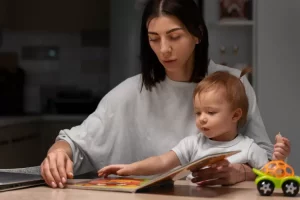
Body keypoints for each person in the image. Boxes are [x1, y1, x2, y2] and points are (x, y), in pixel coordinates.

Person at [40, 0, 290, 188]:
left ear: (197, 35)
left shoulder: (233, 83)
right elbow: (74, 142)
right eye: (154, 39)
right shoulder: (130, 92)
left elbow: (266, 157)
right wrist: (58, 152)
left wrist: (241, 173)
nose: (164, 49)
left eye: (174, 36)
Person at [97, 69, 289, 185]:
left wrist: (280, 159)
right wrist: (130, 168)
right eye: (198, 113)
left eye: (211, 113)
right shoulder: (192, 144)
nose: (202, 119)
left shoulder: (249, 148)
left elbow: (270, 177)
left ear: (235, 115)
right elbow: (162, 162)